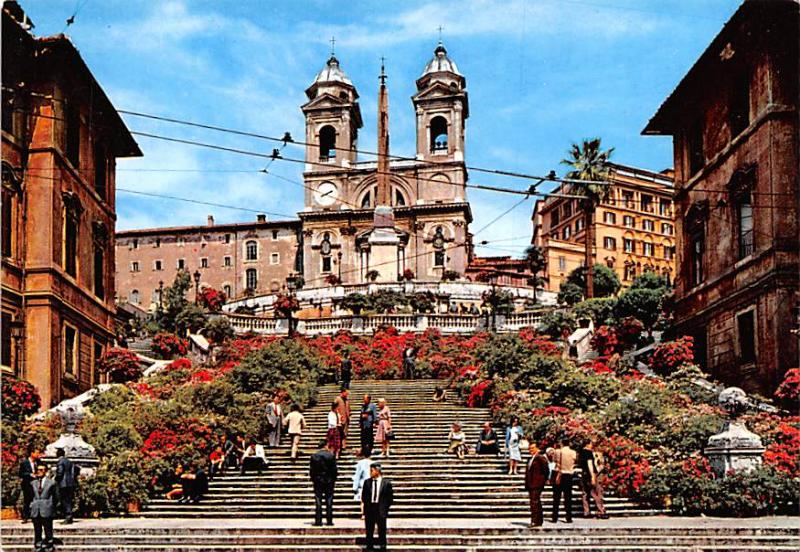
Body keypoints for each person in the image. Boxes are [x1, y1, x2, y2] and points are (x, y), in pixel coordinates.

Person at [361, 463, 394, 552]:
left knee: (382, 530)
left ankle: (382, 547)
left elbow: (390, 498)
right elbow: (364, 497)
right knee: (369, 530)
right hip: (370, 508)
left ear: (377, 471)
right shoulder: (367, 482)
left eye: (372, 471)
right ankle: (369, 547)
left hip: (381, 508)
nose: (370, 473)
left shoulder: (386, 483)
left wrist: (385, 508)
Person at [309, 440, 338, 526]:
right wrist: (333, 478)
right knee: (329, 500)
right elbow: (334, 469)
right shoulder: (331, 455)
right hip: (329, 480)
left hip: (318, 480)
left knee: (318, 500)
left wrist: (313, 478)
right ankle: (329, 520)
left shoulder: (314, 456)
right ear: (326, 445)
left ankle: (318, 520)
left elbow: (312, 470)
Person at [29, 463, 57, 552]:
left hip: (47, 508)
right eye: (38, 470)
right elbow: (29, 496)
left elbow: (56, 496)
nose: (39, 472)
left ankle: (49, 545)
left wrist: (51, 505)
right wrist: (31, 505)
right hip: (36, 508)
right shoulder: (33, 483)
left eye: (41, 470)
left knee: (48, 529)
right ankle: (38, 545)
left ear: (45, 471)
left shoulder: (51, 483)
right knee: (37, 530)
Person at [524, 442, 550, 527]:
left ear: (537, 449)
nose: (530, 450)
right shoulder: (530, 459)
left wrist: (544, 479)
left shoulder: (540, 458)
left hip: (537, 483)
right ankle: (539, 520)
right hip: (531, 483)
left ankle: (535, 520)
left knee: (534, 502)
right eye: (530, 448)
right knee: (535, 502)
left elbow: (546, 469)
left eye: (532, 448)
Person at [551, 440, 577, 523]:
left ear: (562, 443)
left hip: (559, 475)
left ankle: (554, 516)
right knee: (568, 497)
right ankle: (568, 517)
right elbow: (574, 461)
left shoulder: (557, 452)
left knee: (556, 497)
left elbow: (554, 461)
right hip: (568, 475)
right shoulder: (573, 452)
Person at [579, 441, 608, 519]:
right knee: (595, 493)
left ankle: (586, 511)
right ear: (587, 444)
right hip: (590, 474)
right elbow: (590, 464)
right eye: (591, 444)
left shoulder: (581, 453)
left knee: (585, 493)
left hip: (584, 474)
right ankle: (600, 511)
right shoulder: (588, 453)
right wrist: (592, 476)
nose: (592, 446)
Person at [55, 448, 78, 524]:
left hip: (63, 484)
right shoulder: (69, 461)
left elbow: (60, 472)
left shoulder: (60, 461)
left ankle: (68, 516)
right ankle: (69, 515)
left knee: (64, 500)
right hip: (71, 483)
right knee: (69, 500)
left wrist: (56, 478)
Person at [19, 446, 40, 522]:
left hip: (37, 484)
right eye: (37, 453)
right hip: (27, 484)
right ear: (32, 453)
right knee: (27, 500)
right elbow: (21, 474)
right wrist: (29, 474)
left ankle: (35, 516)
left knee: (36, 500)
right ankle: (25, 516)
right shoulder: (24, 463)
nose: (38, 454)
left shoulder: (38, 462)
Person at [352, 448, 372, 519]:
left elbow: (357, 475)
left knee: (363, 500)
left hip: (363, 483)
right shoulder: (373, 463)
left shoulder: (360, 463)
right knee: (370, 499)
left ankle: (363, 514)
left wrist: (355, 487)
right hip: (371, 483)